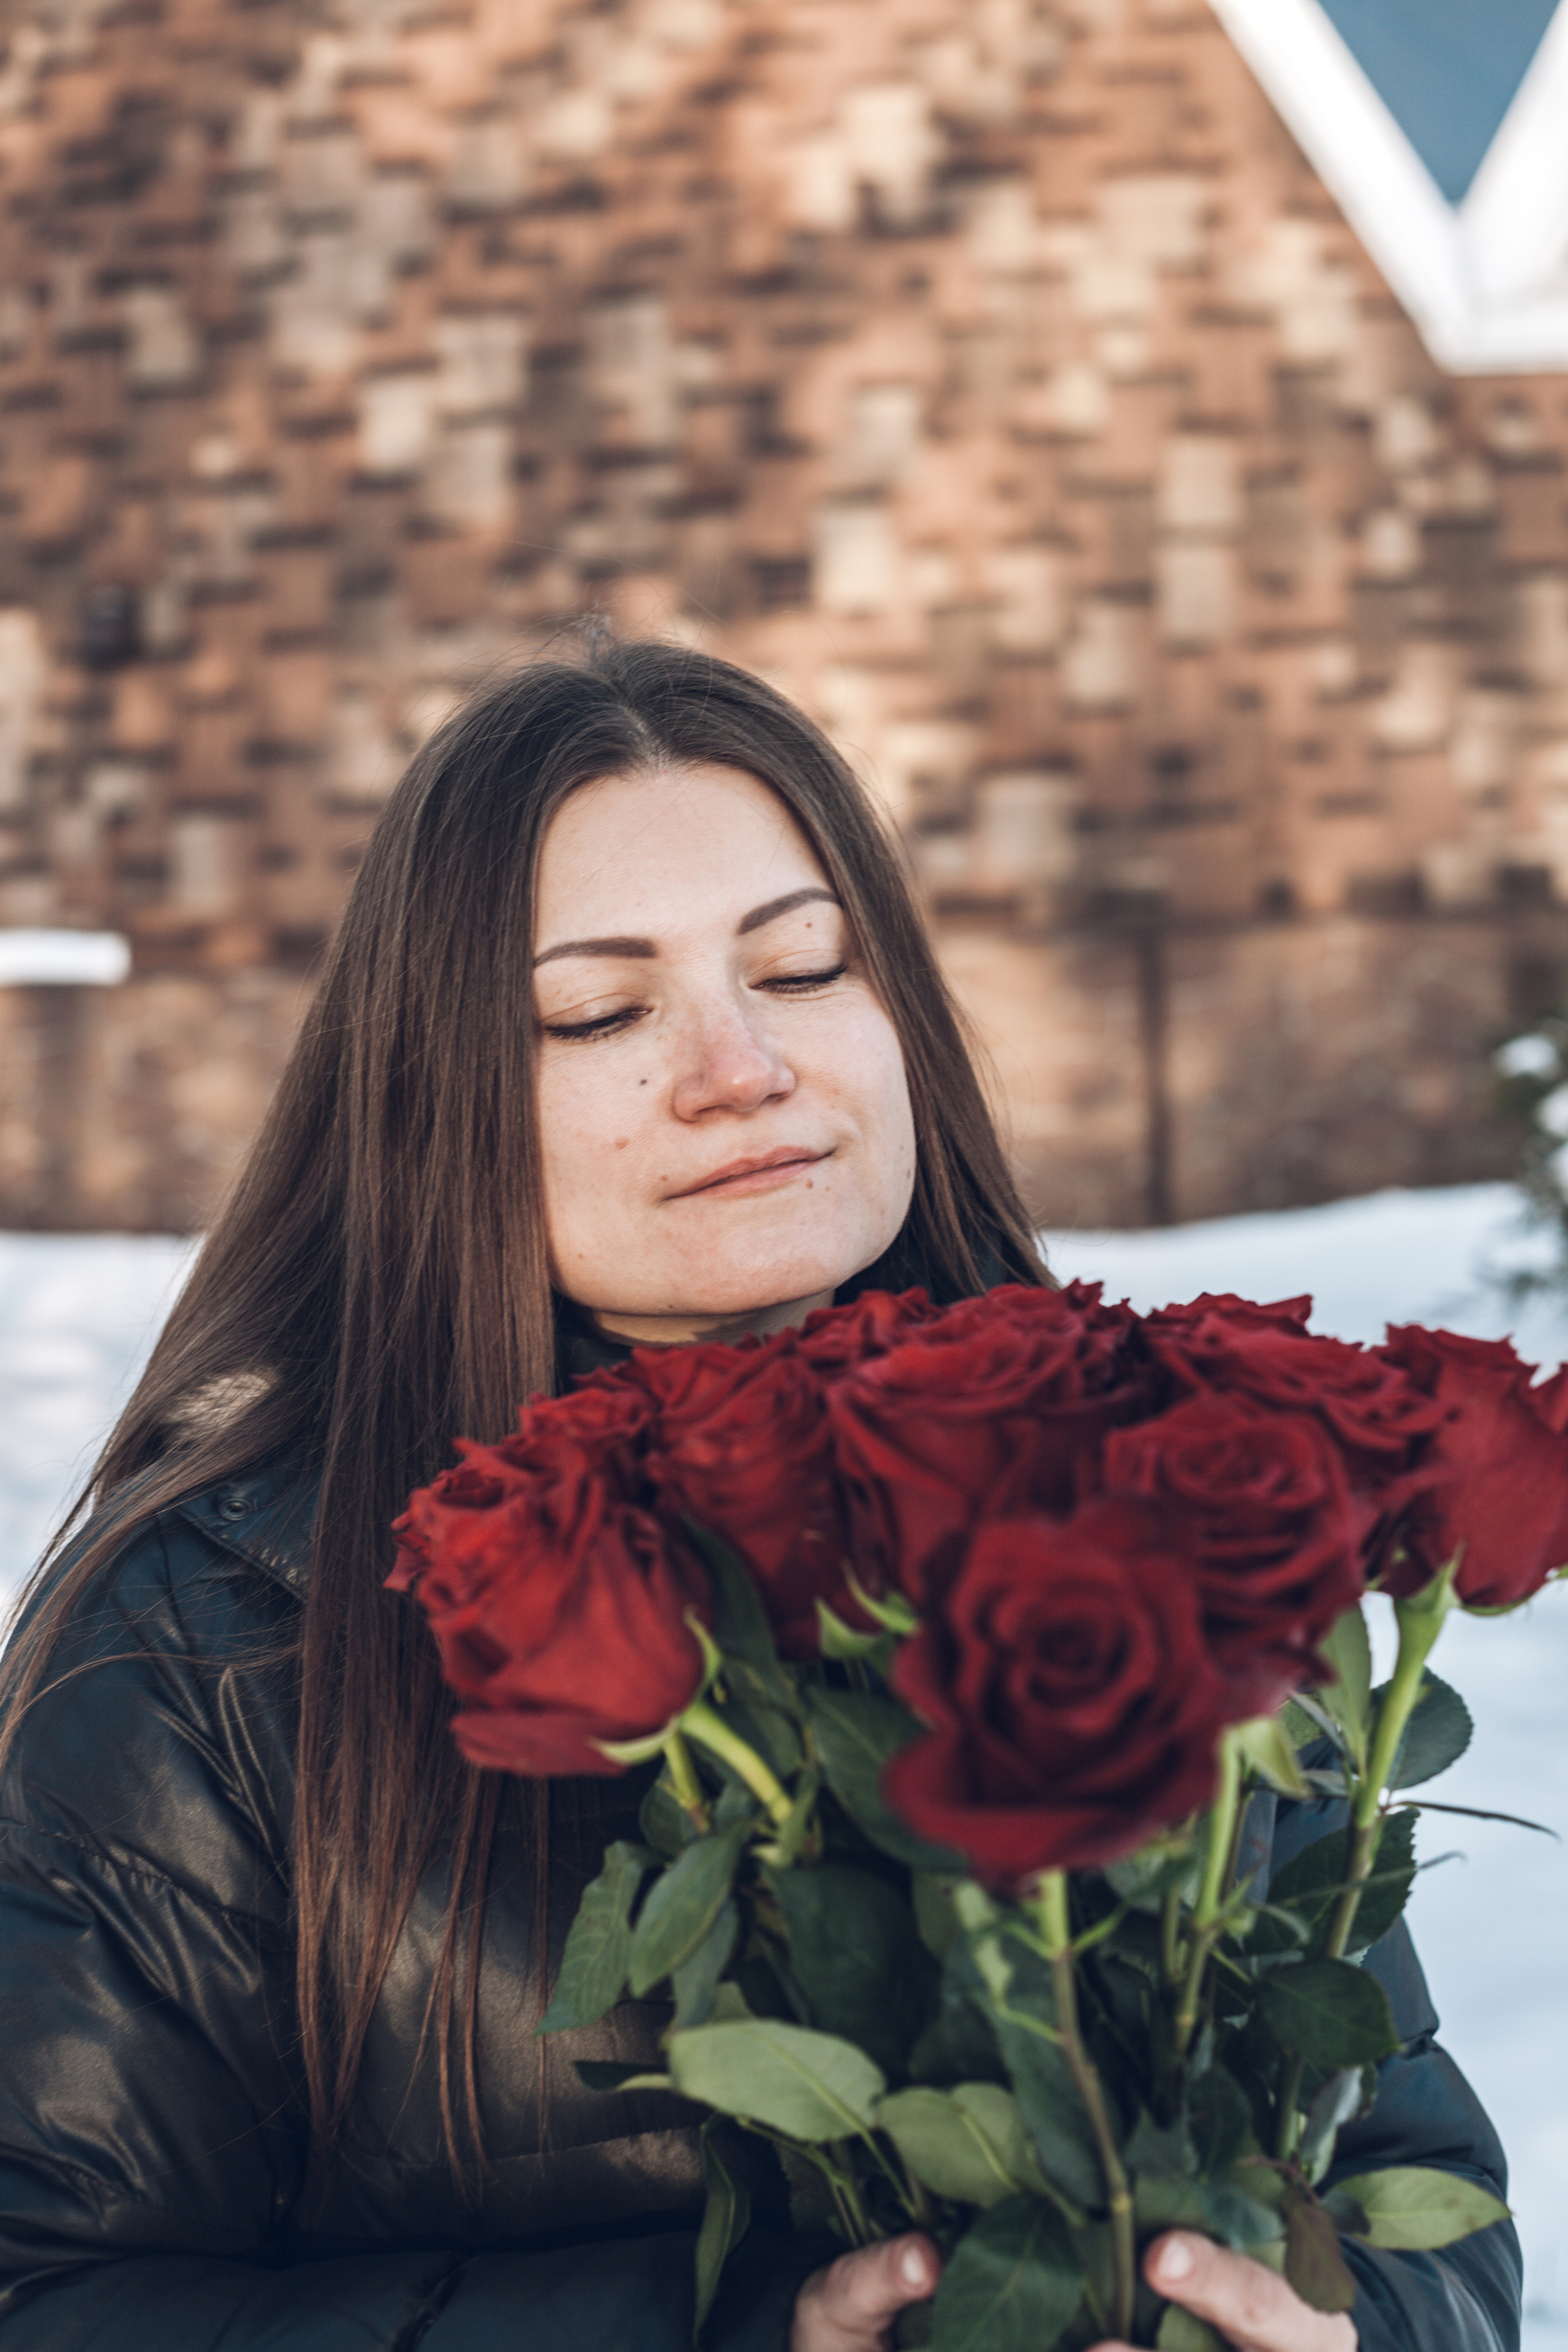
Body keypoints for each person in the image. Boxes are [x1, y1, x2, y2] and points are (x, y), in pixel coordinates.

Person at [0, 638, 1520, 2352]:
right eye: (598, 1009)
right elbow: (52, 2297)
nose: (741, 1067)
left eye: (803, 970)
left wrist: (1324, 2328)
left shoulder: (1164, 1505)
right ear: (440, 1102)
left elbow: (1416, 2200)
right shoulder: (206, 1641)